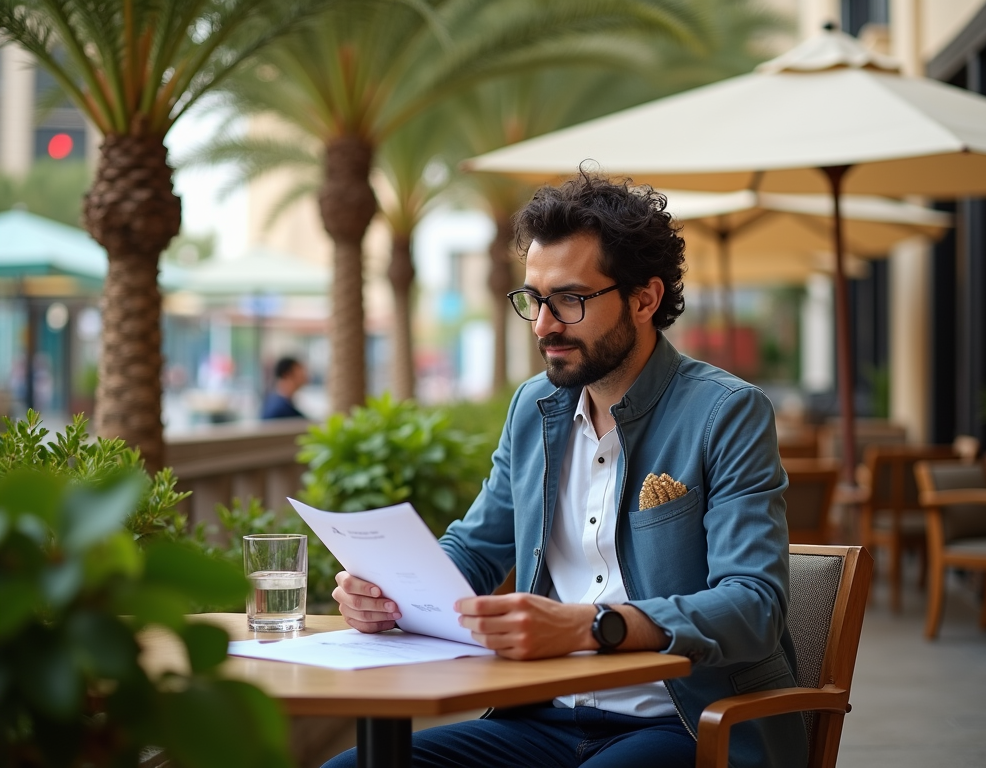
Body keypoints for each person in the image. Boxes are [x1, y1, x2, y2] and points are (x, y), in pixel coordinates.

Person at [326, 172, 807, 768]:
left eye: (570, 300)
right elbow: (475, 552)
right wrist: (389, 593)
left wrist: (589, 627)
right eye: (534, 298)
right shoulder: (534, 408)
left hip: (683, 724)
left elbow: (753, 606)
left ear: (644, 298)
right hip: (539, 718)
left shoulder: (725, 412)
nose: (543, 324)